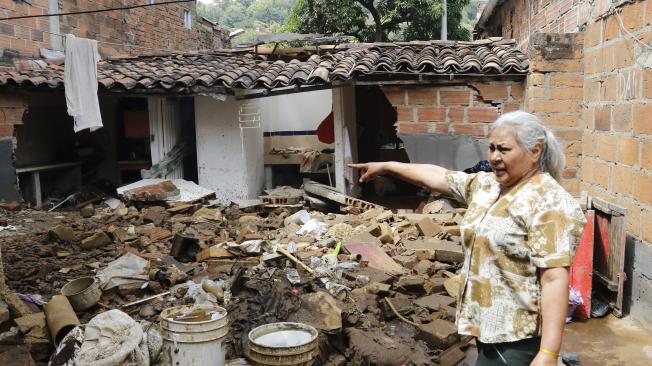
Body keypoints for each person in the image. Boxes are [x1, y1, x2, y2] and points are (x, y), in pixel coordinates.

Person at [349, 111, 586, 366]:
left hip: (517, 339)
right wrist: (387, 167)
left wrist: (549, 353)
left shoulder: (549, 203)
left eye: (504, 150)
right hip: (485, 329)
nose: (494, 157)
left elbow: (553, 279)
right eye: (492, 148)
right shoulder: (488, 186)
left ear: (535, 151)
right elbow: (438, 175)